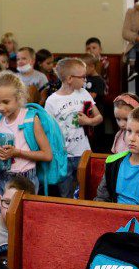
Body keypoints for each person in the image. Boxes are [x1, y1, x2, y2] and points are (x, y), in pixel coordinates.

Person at [0, 71, 53, 202]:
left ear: (19, 97)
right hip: (1, 178)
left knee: (24, 214)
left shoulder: (30, 120)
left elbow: (47, 155)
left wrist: (17, 153)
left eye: (6, 102)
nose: (1, 107)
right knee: (1, 212)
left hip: (25, 180)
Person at [44, 57, 102, 199]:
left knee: (86, 191)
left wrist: (88, 121)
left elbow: (99, 118)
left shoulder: (83, 93)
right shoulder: (52, 101)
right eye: (82, 77)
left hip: (83, 152)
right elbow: (47, 131)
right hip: (63, 156)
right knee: (66, 194)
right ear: (70, 78)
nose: (85, 80)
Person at [0, 175, 35, 260]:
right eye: (7, 203)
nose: (11, 210)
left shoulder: (32, 231)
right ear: (0, 201)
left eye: (18, 205)